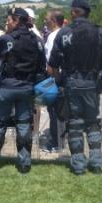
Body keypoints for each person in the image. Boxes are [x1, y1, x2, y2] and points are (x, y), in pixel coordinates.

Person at [48, 0, 102, 175]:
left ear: (73, 12)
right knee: (92, 123)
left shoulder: (64, 32)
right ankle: (96, 162)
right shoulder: (99, 32)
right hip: (91, 83)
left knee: (75, 123)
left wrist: (59, 82)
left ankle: (78, 165)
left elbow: (53, 64)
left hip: (71, 83)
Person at [0, 8, 46, 173]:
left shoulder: (7, 39)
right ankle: (25, 163)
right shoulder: (37, 40)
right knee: (24, 126)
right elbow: (42, 65)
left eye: (10, 20)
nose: (8, 23)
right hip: (27, 88)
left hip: (6, 87)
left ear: (17, 20)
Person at [42, 9, 65, 152]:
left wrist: (51, 81)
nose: (45, 22)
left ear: (54, 21)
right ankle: (63, 139)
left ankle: (55, 143)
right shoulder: (67, 34)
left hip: (55, 78)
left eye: (46, 19)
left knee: (54, 112)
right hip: (66, 77)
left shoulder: (52, 37)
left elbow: (51, 63)